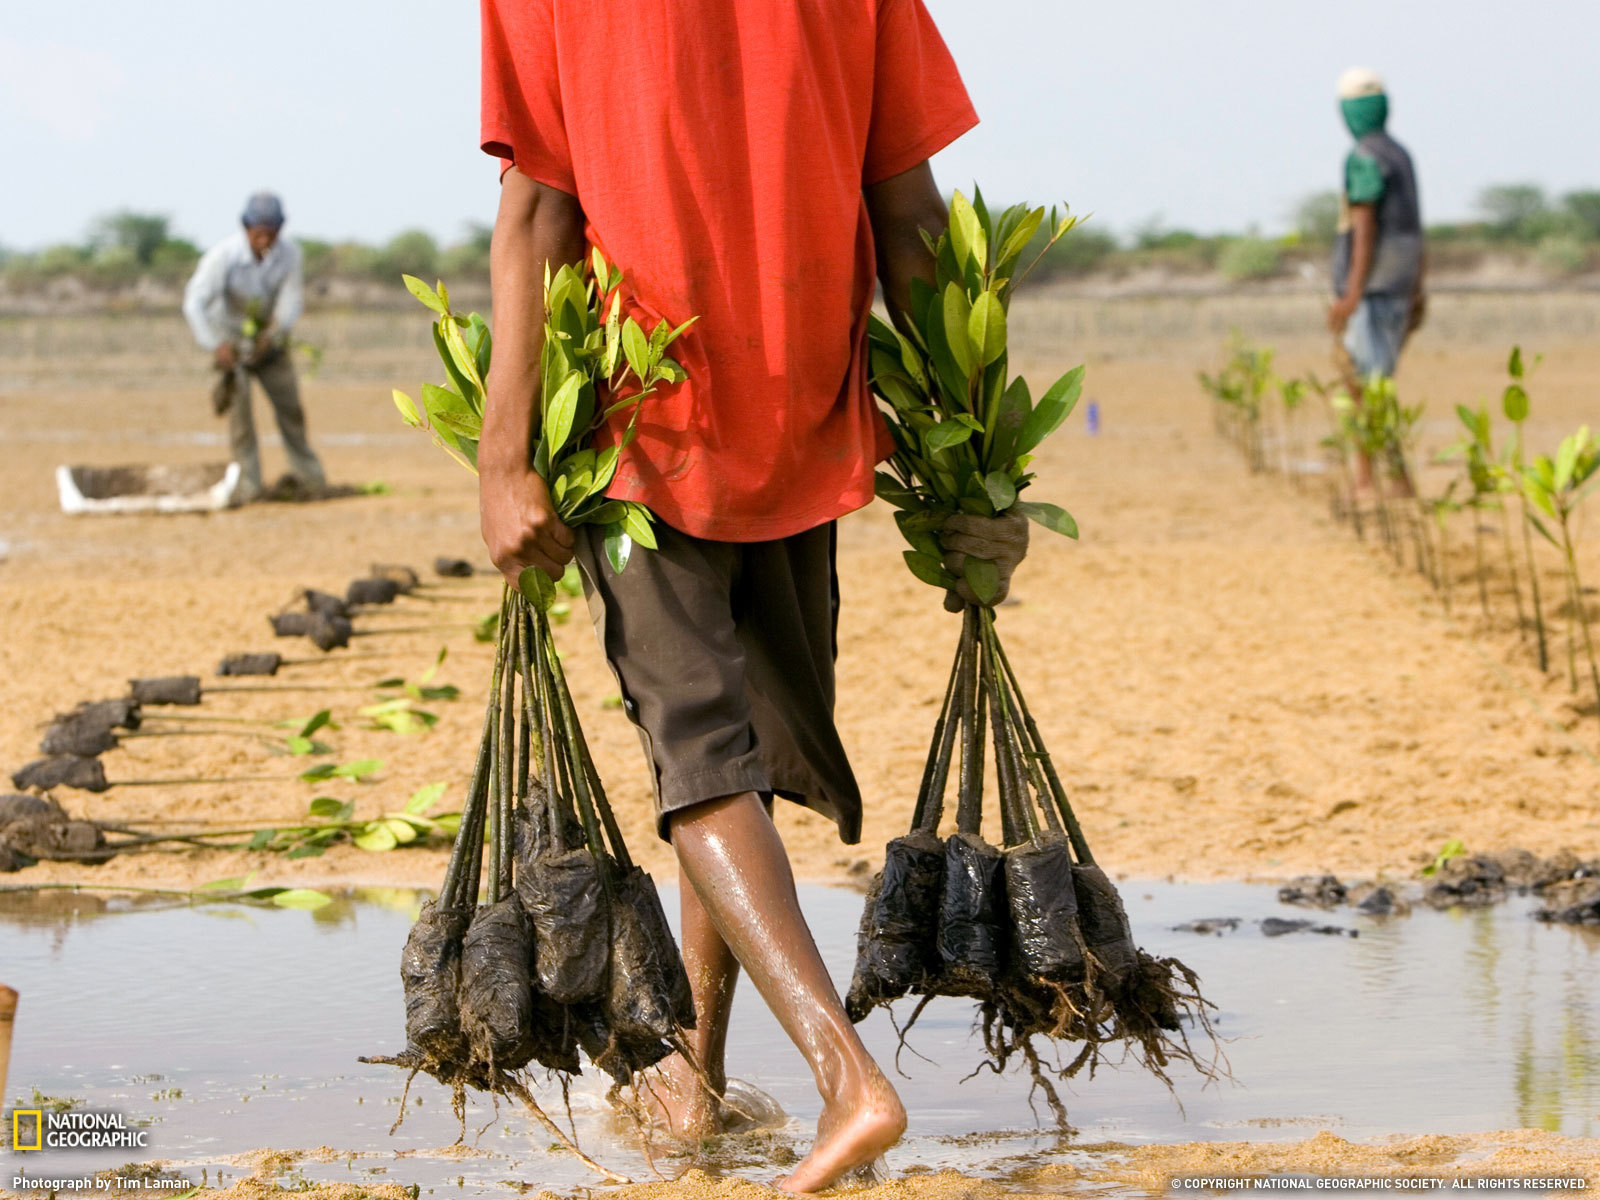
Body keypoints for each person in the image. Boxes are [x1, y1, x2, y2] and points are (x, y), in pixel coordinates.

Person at [475, 0, 1025, 1191]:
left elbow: (534, 211)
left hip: (645, 412)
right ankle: (695, 1074)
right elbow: (913, 214)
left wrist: (503, 455)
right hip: (807, 407)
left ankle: (846, 1082)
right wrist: (962, 446)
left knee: (700, 768)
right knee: (735, 766)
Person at [182, 191, 326, 504]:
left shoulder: (290, 255)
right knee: (240, 416)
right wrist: (215, 344)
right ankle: (249, 486)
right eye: (258, 232)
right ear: (246, 227)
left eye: (271, 232)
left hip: (268, 342)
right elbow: (195, 303)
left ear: (280, 229)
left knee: (291, 408)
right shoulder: (223, 257)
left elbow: (291, 301)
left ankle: (310, 479)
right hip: (230, 344)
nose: (264, 239)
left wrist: (273, 335)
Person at [1326, 68, 1427, 392]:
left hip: (1372, 290)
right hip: (1401, 282)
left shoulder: (1363, 157)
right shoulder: (1401, 155)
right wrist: (1417, 285)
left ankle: (1368, 446)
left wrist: (1351, 294)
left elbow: (1364, 227)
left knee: (1365, 384)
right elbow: (1415, 227)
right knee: (1379, 380)